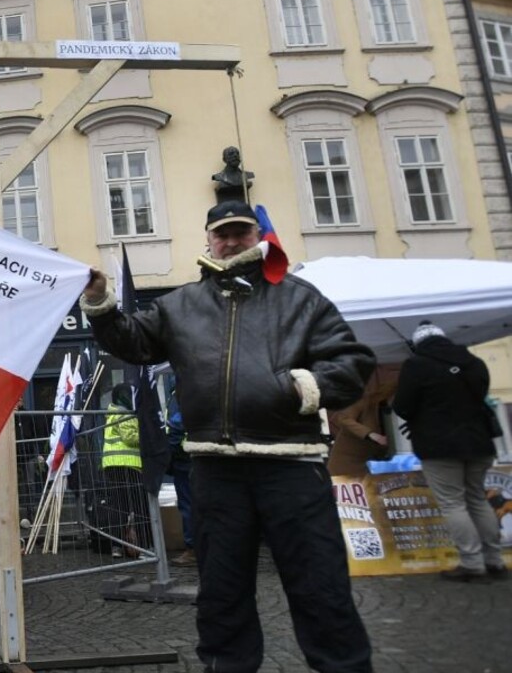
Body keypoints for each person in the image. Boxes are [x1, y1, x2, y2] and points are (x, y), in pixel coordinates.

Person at [80, 200, 376, 673]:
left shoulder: (301, 299)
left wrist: (295, 387)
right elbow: (131, 341)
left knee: (320, 586)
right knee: (221, 591)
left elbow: (352, 364)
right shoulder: (181, 305)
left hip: (292, 467)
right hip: (216, 470)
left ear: (256, 235)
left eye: (241, 231)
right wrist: (99, 301)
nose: (232, 240)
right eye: (223, 233)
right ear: (209, 240)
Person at [391, 321, 508, 582]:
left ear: (418, 343)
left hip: (439, 445)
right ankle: (495, 561)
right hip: (479, 442)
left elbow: (403, 406)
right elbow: (481, 396)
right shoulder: (473, 362)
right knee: (477, 498)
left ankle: (472, 564)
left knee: (453, 502)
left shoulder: (417, 365)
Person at [100, 383, 150, 558]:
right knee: (140, 506)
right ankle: (144, 547)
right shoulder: (124, 411)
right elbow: (130, 437)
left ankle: (117, 546)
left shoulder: (113, 412)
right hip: (128, 465)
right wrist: (149, 433)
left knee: (119, 507)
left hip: (113, 465)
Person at [327, 365, 400, 477]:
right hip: (348, 458)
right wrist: (370, 434)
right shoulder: (366, 399)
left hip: (375, 462)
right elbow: (343, 418)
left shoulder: (398, 410)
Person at [163, 377, 196, 567]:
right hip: (198, 457)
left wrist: (170, 452)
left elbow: (176, 425)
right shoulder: (199, 391)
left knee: (188, 505)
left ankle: (193, 550)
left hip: (185, 460)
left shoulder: (180, 396)